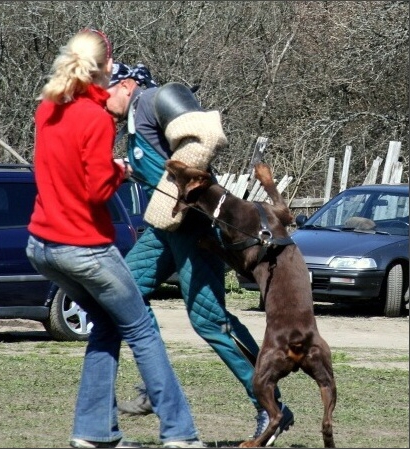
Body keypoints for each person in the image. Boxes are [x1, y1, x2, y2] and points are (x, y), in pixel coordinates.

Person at [25, 30, 203, 449]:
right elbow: (95, 191)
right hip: (84, 247)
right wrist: (118, 171)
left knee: (106, 325)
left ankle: (93, 432)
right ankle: (180, 433)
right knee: (142, 329)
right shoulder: (97, 120)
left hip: (41, 247)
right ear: (107, 67)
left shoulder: (48, 108)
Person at [106, 62, 295, 447]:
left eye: (105, 92)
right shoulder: (132, 120)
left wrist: (171, 196)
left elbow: (206, 136)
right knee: (124, 294)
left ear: (126, 85)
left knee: (210, 322)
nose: (100, 102)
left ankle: (270, 405)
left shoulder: (154, 98)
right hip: (164, 231)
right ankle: (154, 384)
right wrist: (127, 168)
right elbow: (163, 162)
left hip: (195, 230)